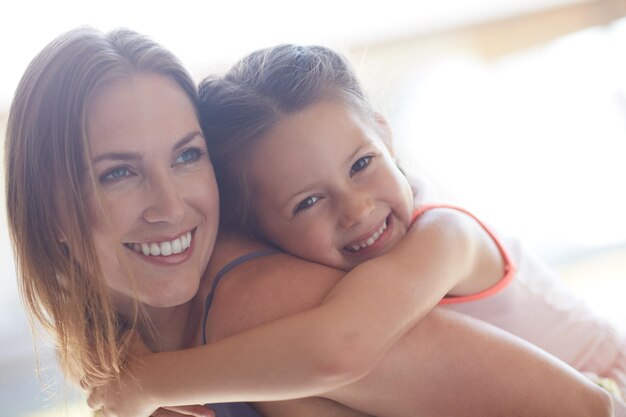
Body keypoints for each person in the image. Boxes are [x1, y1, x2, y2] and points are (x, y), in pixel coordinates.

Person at [5, 27, 617, 417]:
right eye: (118, 172)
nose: (169, 205)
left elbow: (340, 346)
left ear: (384, 133)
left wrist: (151, 385)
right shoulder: (139, 339)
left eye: (187, 155)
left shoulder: (440, 237)